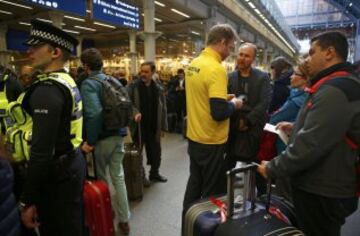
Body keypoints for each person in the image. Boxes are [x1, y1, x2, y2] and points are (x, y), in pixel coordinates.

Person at [258, 31, 360, 236]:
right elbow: (330, 130)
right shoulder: (336, 85)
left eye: (312, 53)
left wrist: (272, 168)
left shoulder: (336, 89)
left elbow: (311, 144)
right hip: (327, 183)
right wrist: (296, 126)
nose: (307, 59)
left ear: (330, 52)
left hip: (324, 189)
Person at [18, 19, 85, 236]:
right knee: (72, 223)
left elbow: (41, 152)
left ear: (55, 52)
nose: (30, 51)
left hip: (56, 177)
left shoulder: (47, 89)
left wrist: (27, 201)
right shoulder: (66, 80)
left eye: (36, 47)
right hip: (73, 164)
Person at [182, 24, 243, 214]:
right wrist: (235, 104)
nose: (230, 53)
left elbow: (200, 96)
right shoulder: (217, 69)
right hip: (212, 141)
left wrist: (223, 98)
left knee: (194, 183)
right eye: (231, 47)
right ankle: (204, 227)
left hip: (194, 136)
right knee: (212, 192)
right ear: (222, 42)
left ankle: (188, 223)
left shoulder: (194, 64)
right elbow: (218, 113)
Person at [80, 48, 131, 235]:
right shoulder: (113, 79)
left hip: (102, 138)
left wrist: (91, 141)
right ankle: (125, 220)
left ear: (85, 65)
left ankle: (106, 216)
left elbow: (94, 115)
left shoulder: (89, 84)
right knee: (118, 177)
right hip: (119, 134)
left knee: (102, 179)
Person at [227, 42, 271, 168]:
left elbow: (264, 103)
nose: (242, 58)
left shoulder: (262, 77)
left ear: (253, 59)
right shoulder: (230, 77)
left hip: (253, 127)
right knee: (228, 163)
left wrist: (247, 121)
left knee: (253, 165)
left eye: (246, 56)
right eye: (240, 54)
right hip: (233, 126)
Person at [127, 61, 168, 185]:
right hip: (138, 127)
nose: (143, 74)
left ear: (153, 72)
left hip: (153, 126)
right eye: (142, 71)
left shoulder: (158, 88)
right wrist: (134, 112)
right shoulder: (133, 86)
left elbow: (163, 108)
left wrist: (163, 127)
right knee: (138, 153)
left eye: (146, 72)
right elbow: (126, 103)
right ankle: (141, 176)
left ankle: (154, 174)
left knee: (156, 152)